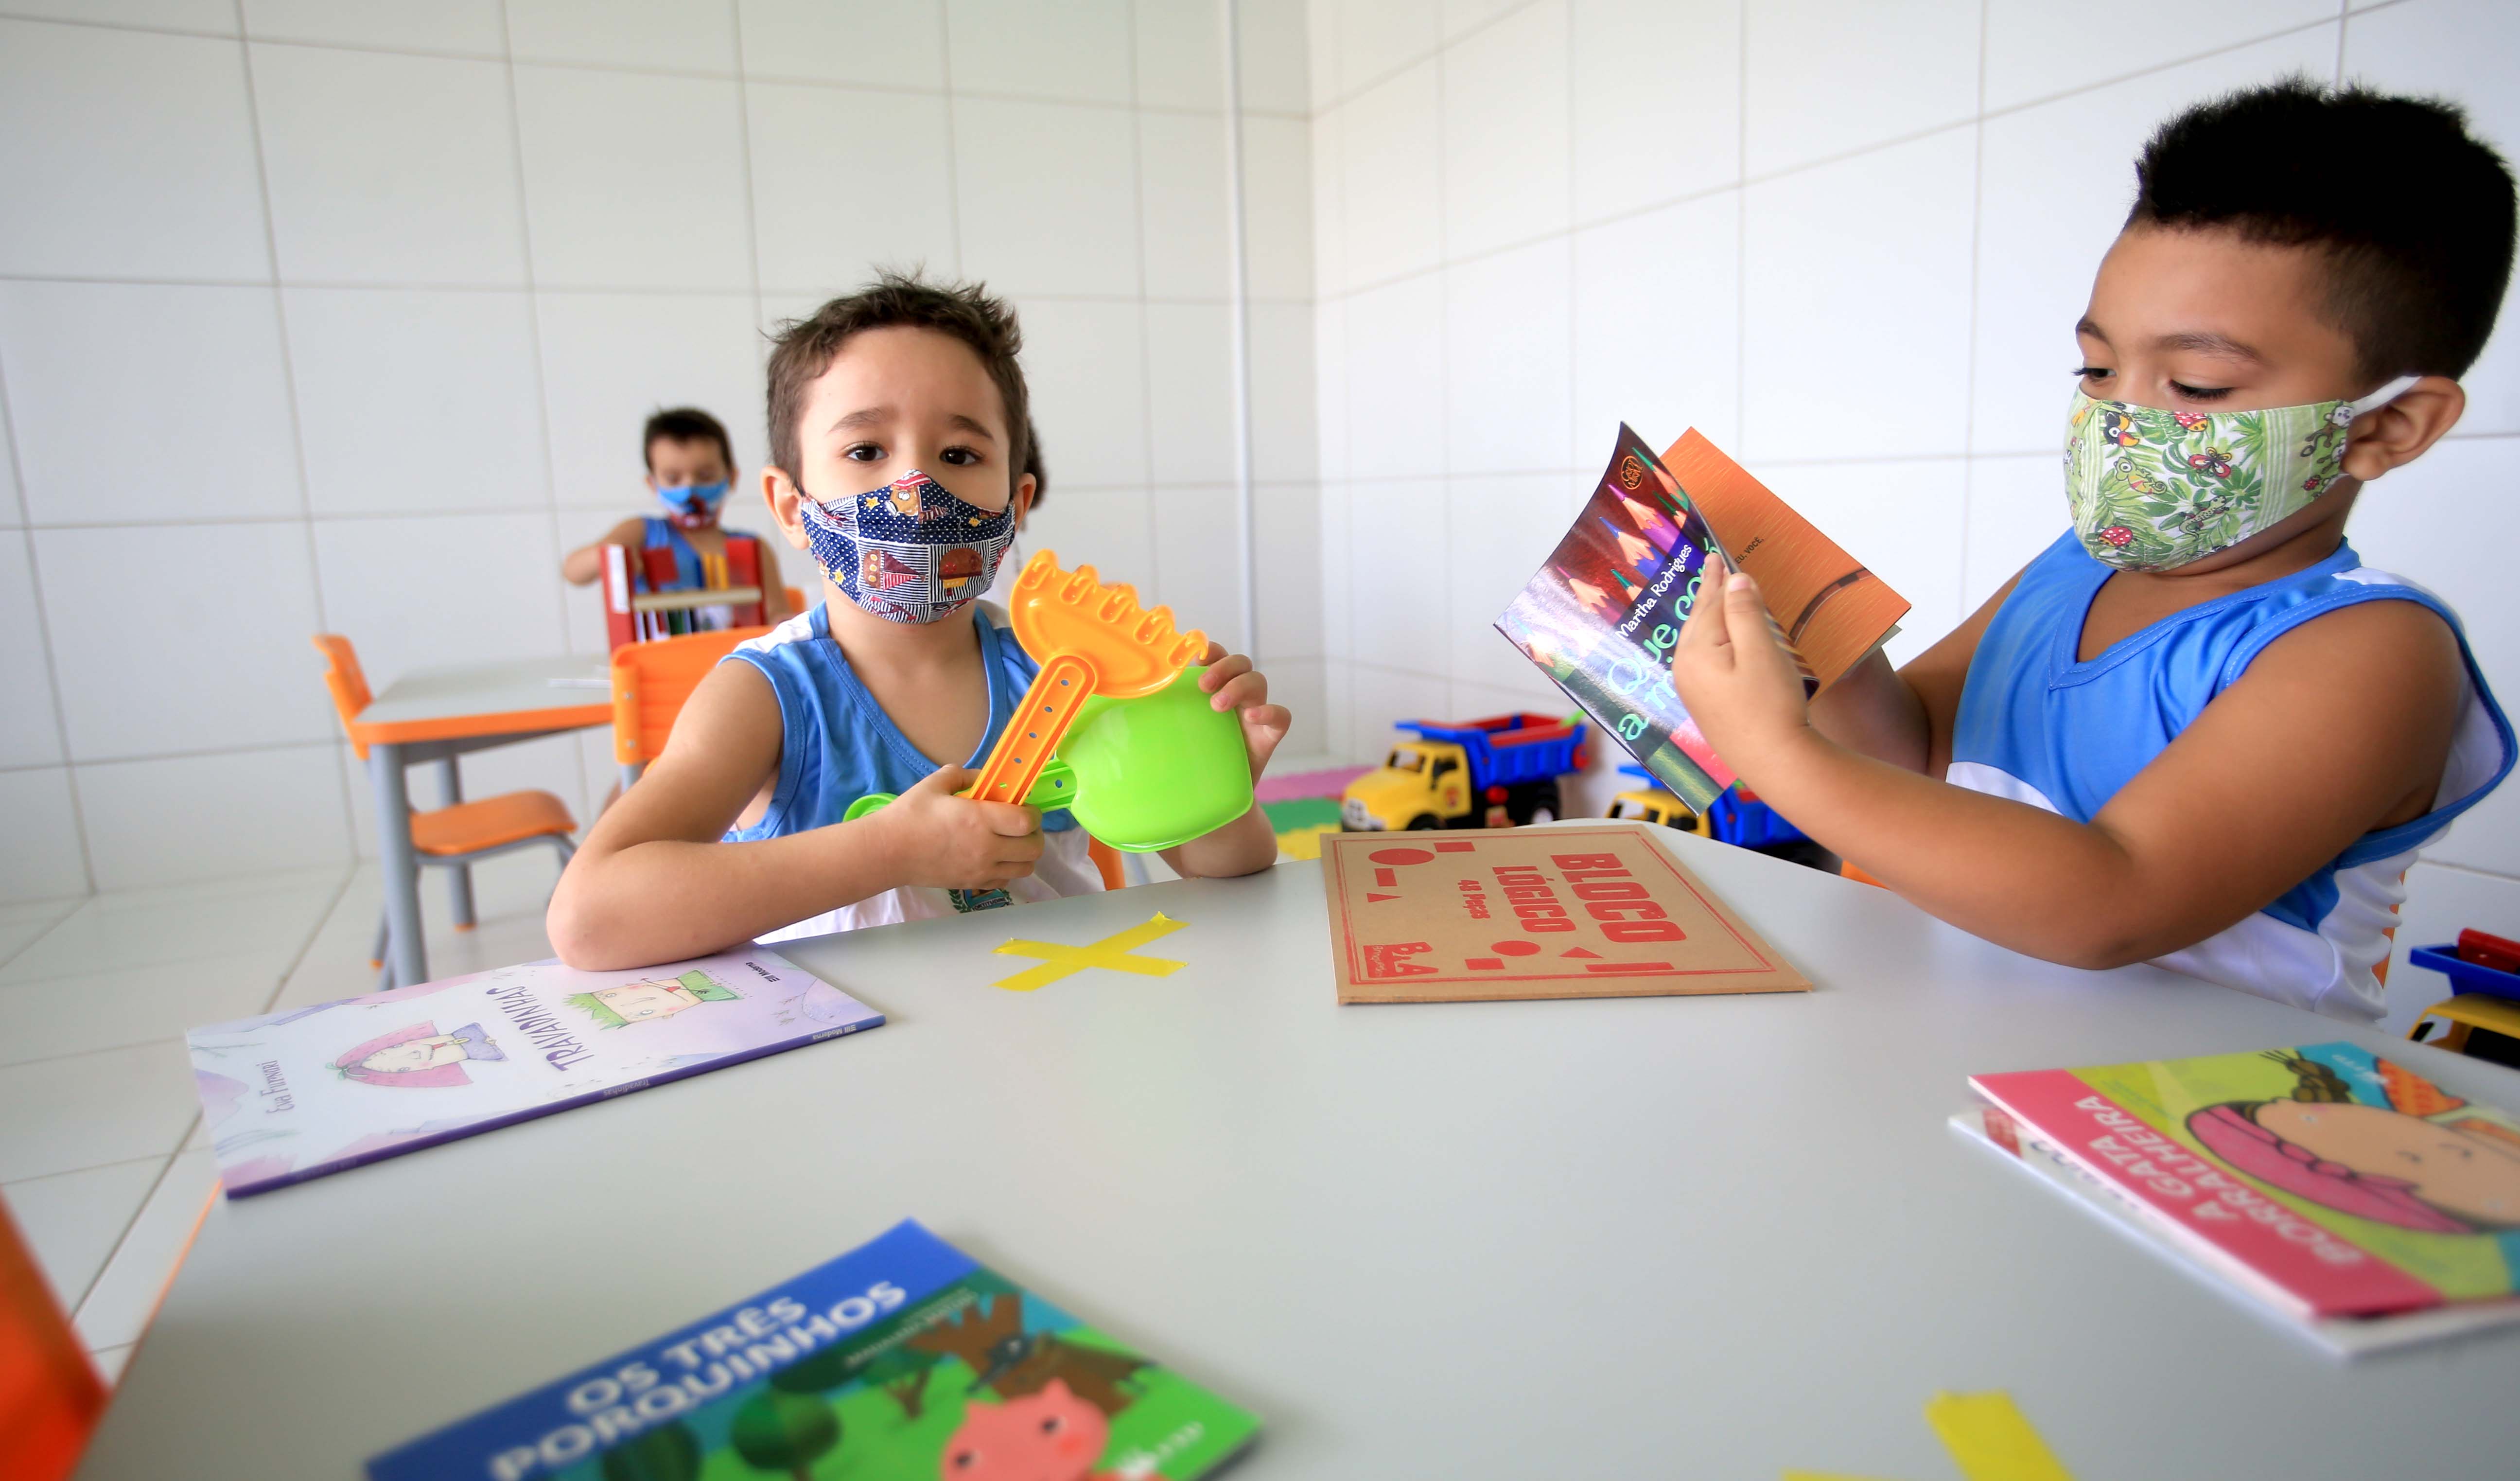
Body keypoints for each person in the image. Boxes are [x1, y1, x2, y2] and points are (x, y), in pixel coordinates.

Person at [1670, 79, 2517, 1023]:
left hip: (2201, 1132)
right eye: (2100, 368)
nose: (2123, 419)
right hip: (1964, 1073)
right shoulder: (2072, 566)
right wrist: (1806, 631)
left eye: (2196, 382)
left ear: (2391, 426)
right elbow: (1910, 747)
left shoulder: (2374, 651)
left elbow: (2112, 901)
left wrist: (1772, 749)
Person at [548, 273, 1288, 968]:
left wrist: (1213, 786)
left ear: (1016, 503)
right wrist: (887, 850)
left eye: (959, 453)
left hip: (1053, 1047)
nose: (917, 488)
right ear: (788, 507)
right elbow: (589, 918)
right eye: (865, 449)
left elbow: (1228, 874)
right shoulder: (766, 697)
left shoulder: (1063, 673)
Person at [560, 406, 793, 628]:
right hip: (658, 664)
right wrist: (613, 555)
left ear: (731, 478)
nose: (690, 487)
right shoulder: (641, 532)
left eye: (705, 475)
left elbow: (776, 615)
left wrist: (785, 622)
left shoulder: (753, 548)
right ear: (653, 485)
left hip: (733, 663)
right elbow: (572, 572)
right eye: (673, 479)